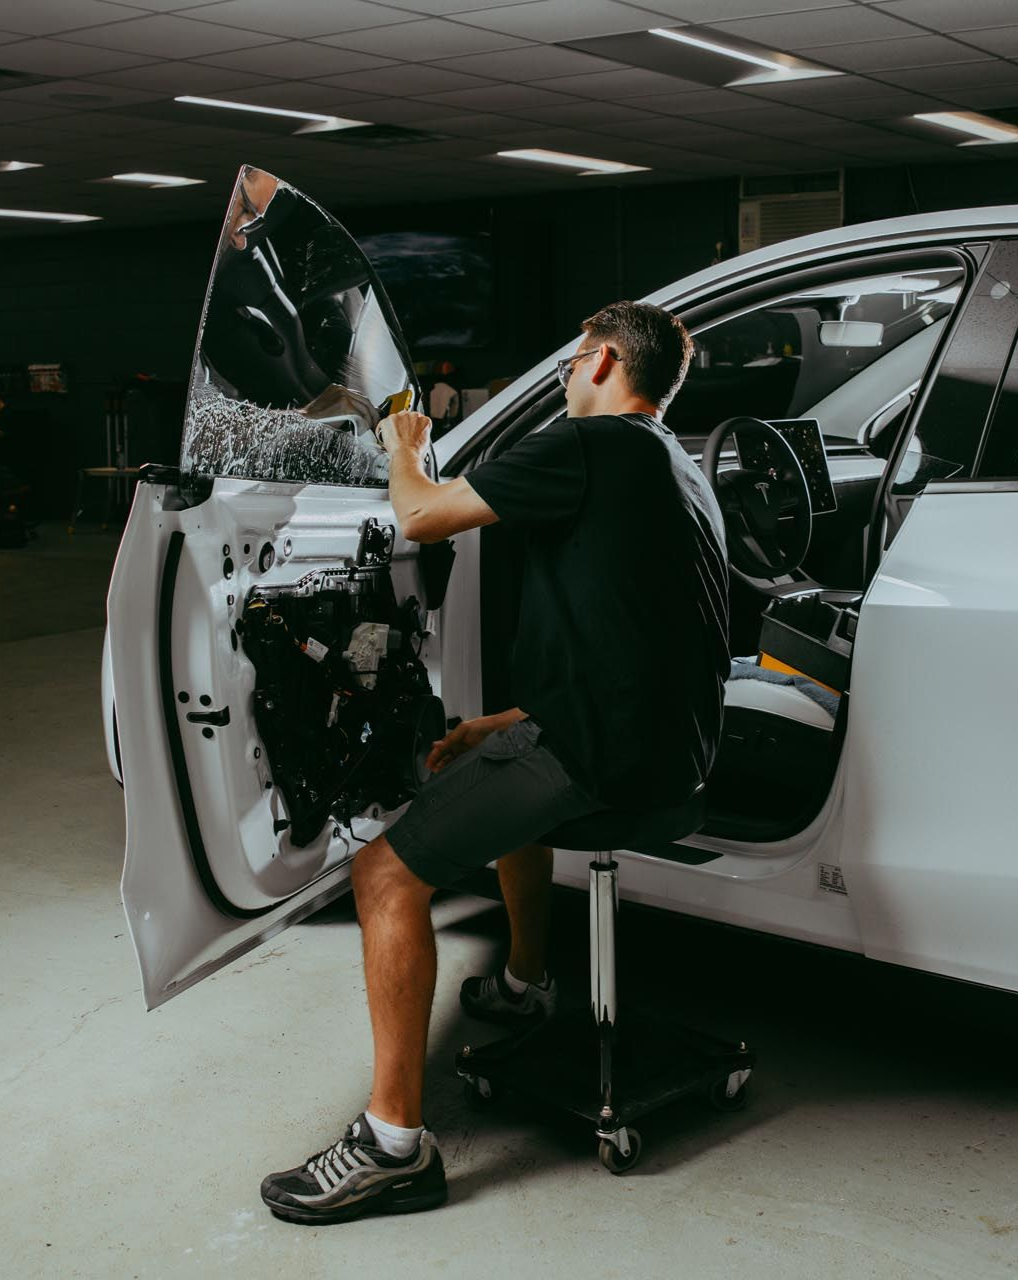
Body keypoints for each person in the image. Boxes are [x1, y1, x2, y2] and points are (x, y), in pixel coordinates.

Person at [260, 301, 731, 1226]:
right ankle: (522, 986)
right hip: (673, 758)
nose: (563, 377)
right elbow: (638, 636)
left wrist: (405, 440)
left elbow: (423, 517)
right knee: (496, 762)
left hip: (598, 758)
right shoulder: (676, 465)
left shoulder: (587, 446)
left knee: (383, 872)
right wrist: (507, 720)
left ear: (600, 362)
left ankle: (394, 1145)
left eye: (569, 362)